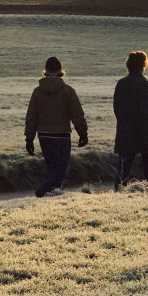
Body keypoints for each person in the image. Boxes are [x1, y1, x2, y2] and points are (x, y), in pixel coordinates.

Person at [24, 55, 88, 198]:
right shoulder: (67, 91)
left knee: (52, 169)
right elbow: (77, 115)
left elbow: (31, 117)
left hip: (44, 135)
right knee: (61, 171)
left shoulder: (37, 92)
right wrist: (83, 134)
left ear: (45, 71)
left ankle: (54, 196)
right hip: (62, 134)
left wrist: (29, 139)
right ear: (60, 71)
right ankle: (44, 191)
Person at [113, 50, 148, 189]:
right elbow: (147, 113)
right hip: (144, 133)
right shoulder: (144, 84)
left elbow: (117, 109)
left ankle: (119, 194)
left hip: (125, 131)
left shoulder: (121, 84)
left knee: (123, 169)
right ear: (143, 65)